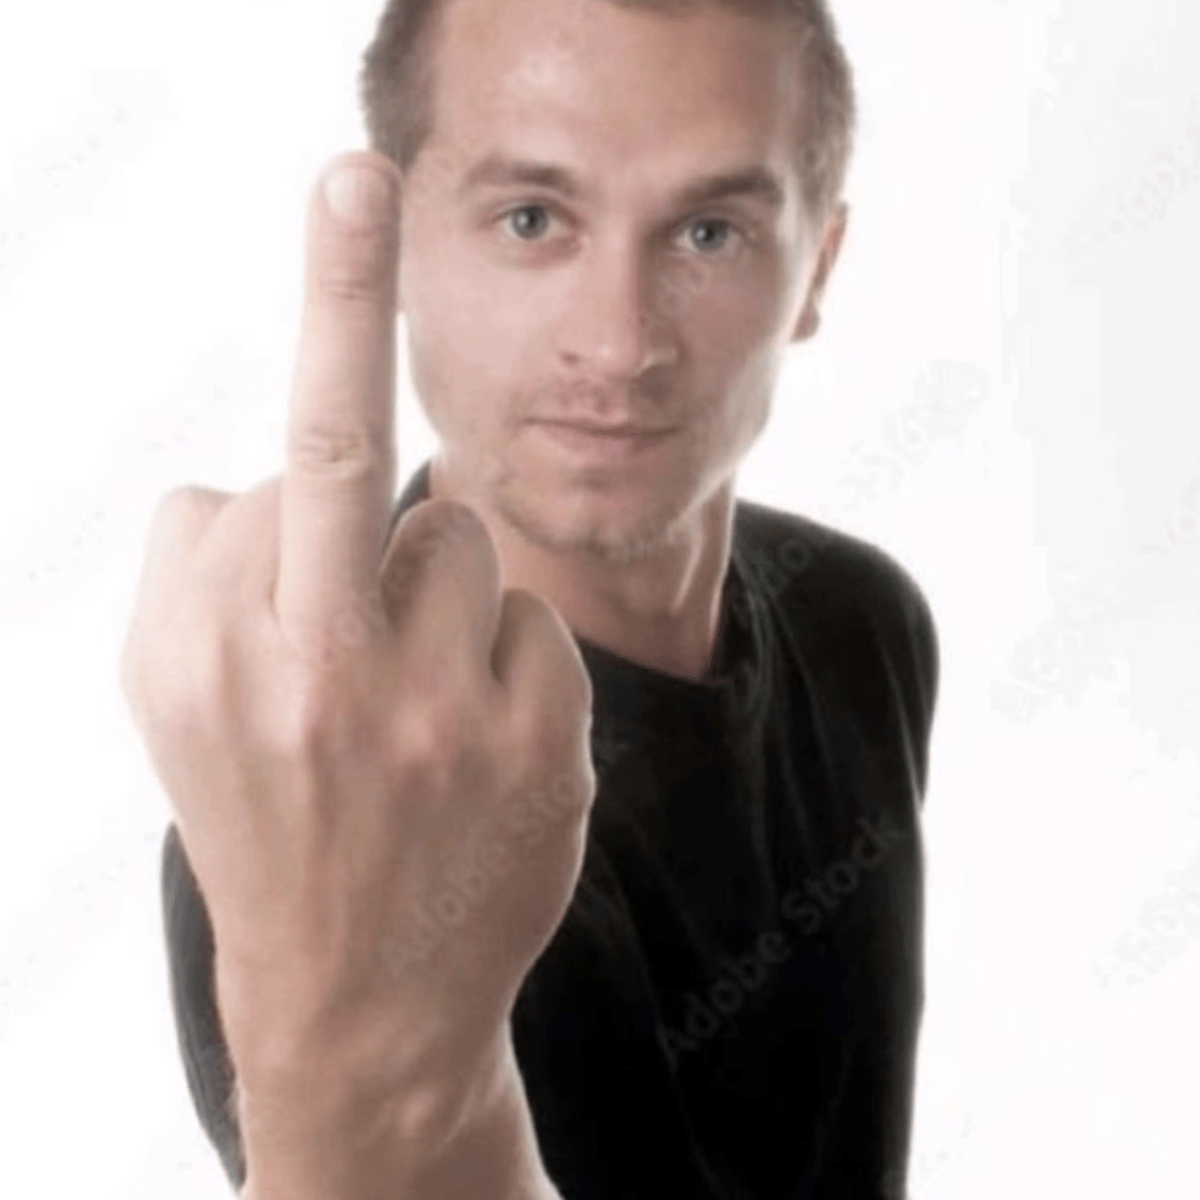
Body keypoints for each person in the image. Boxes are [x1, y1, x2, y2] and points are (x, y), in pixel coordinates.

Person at [134, 0, 939, 1197]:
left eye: (708, 232)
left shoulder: (860, 621)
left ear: (815, 266)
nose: (617, 345)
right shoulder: (326, 797)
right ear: (400, 249)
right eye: (531, 219)